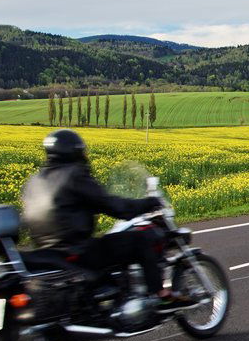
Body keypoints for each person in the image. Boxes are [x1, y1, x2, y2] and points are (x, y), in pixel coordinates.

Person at [21, 129, 194, 306]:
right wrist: (147, 203)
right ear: (75, 151)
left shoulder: (34, 181)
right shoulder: (74, 174)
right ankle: (160, 293)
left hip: (49, 253)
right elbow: (112, 206)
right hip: (78, 251)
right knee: (141, 239)